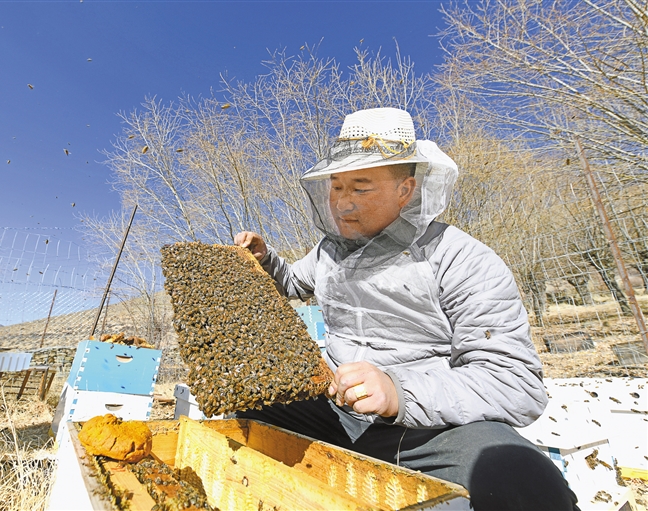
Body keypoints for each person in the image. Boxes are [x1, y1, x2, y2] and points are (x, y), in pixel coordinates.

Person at [233, 108, 579, 510]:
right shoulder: (330, 251)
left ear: (406, 190)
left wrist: (399, 391)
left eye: (360, 188)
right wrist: (265, 260)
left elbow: (514, 384)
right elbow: (293, 283)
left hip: (427, 428)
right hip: (334, 409)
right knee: (247, 410)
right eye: (336, 187)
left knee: (523, 480)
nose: (343, 203)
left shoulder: (462, 259)